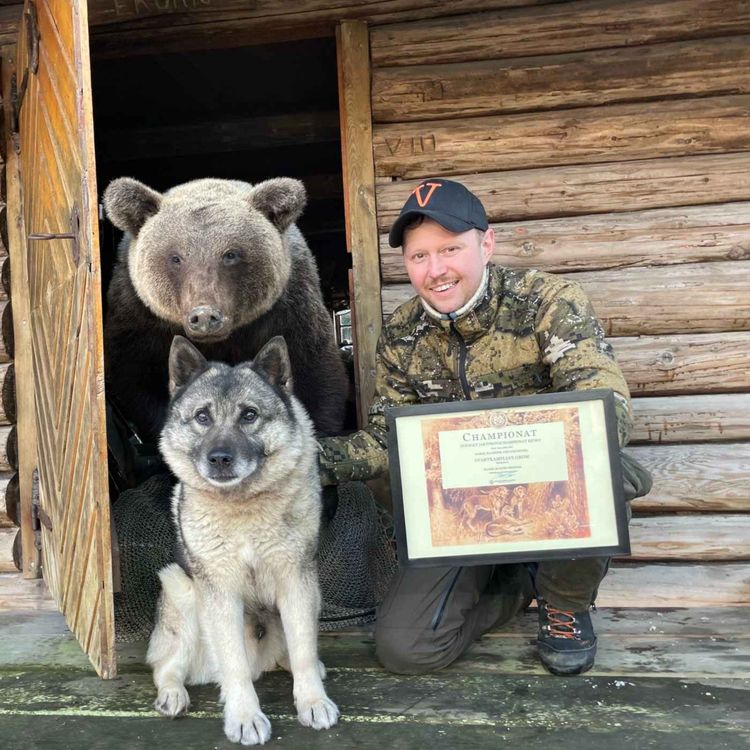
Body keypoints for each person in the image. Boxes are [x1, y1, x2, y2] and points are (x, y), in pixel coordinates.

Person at [318, 178, 647, 677]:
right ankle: (517, 587)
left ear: (486, 244)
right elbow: (387, 438)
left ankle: (564, 604)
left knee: (609, 470)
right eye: (419, 256)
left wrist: (530, 453)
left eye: (450, 249)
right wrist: (302, 461)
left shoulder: (548, 301)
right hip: (460, 512)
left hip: (549, 490)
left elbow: (607, 403)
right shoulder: (403, 332)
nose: (436, 270)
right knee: (406, 651)